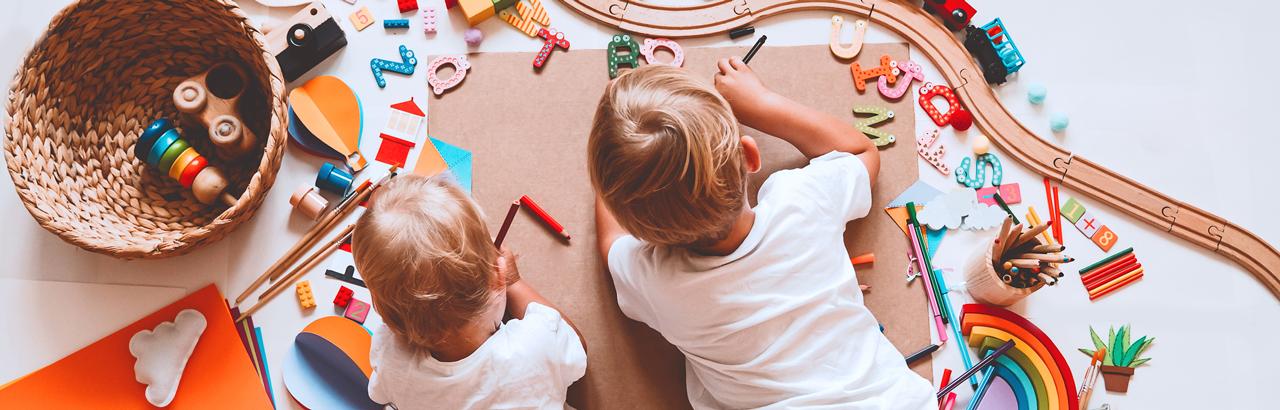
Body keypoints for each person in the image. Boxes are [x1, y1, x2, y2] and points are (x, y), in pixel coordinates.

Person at [588, 61, 931, 408]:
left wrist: (614, 160)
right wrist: (761, 104)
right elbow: (861, 152)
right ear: (751, 155)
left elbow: (611, 244)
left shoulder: (654, 281)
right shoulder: (803, 201)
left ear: (638, 227)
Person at [353, 174, 587, 409]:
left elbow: (381, 394)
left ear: (383, 312)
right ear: (498, 276)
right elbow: (577, 346)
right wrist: (515, 283)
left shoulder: (390, 356)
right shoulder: (536, 344)